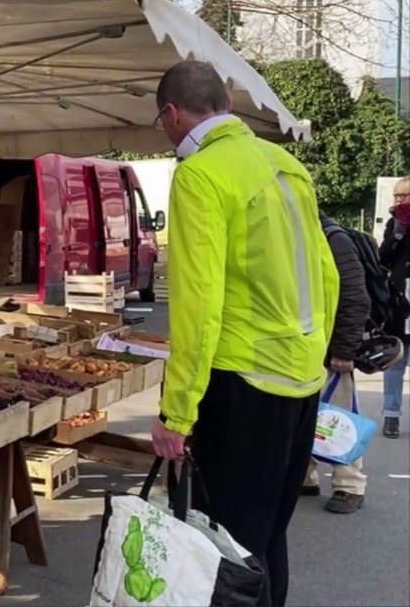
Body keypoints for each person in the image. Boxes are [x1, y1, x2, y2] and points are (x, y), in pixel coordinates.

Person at [150, 61, 338, 607]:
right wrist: (314, 356)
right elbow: (326, 275)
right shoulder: (285, 164)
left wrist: (176, 413)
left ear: (171, 113)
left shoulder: (201, 174)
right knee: (267, 536)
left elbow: (197, 304)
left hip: (242, 382)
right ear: (227, 106)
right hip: (299, 380)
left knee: (227, 545)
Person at [302, 210, 370, 513]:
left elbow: (355, 296)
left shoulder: (333, 238)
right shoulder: (304, 232)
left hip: (332, 347)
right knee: (307, 415)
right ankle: (305, 476)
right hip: (307, 344)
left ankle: (350, 485)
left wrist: (344, 350)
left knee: (338, 418)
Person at [379, 176, 410, 438]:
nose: (399, 200)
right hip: (401, 300)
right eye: (397, 196)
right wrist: (397, 234)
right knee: (396, 360)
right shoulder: (395, 223)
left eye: (405, 196)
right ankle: (391, 416)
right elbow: (383, 258)